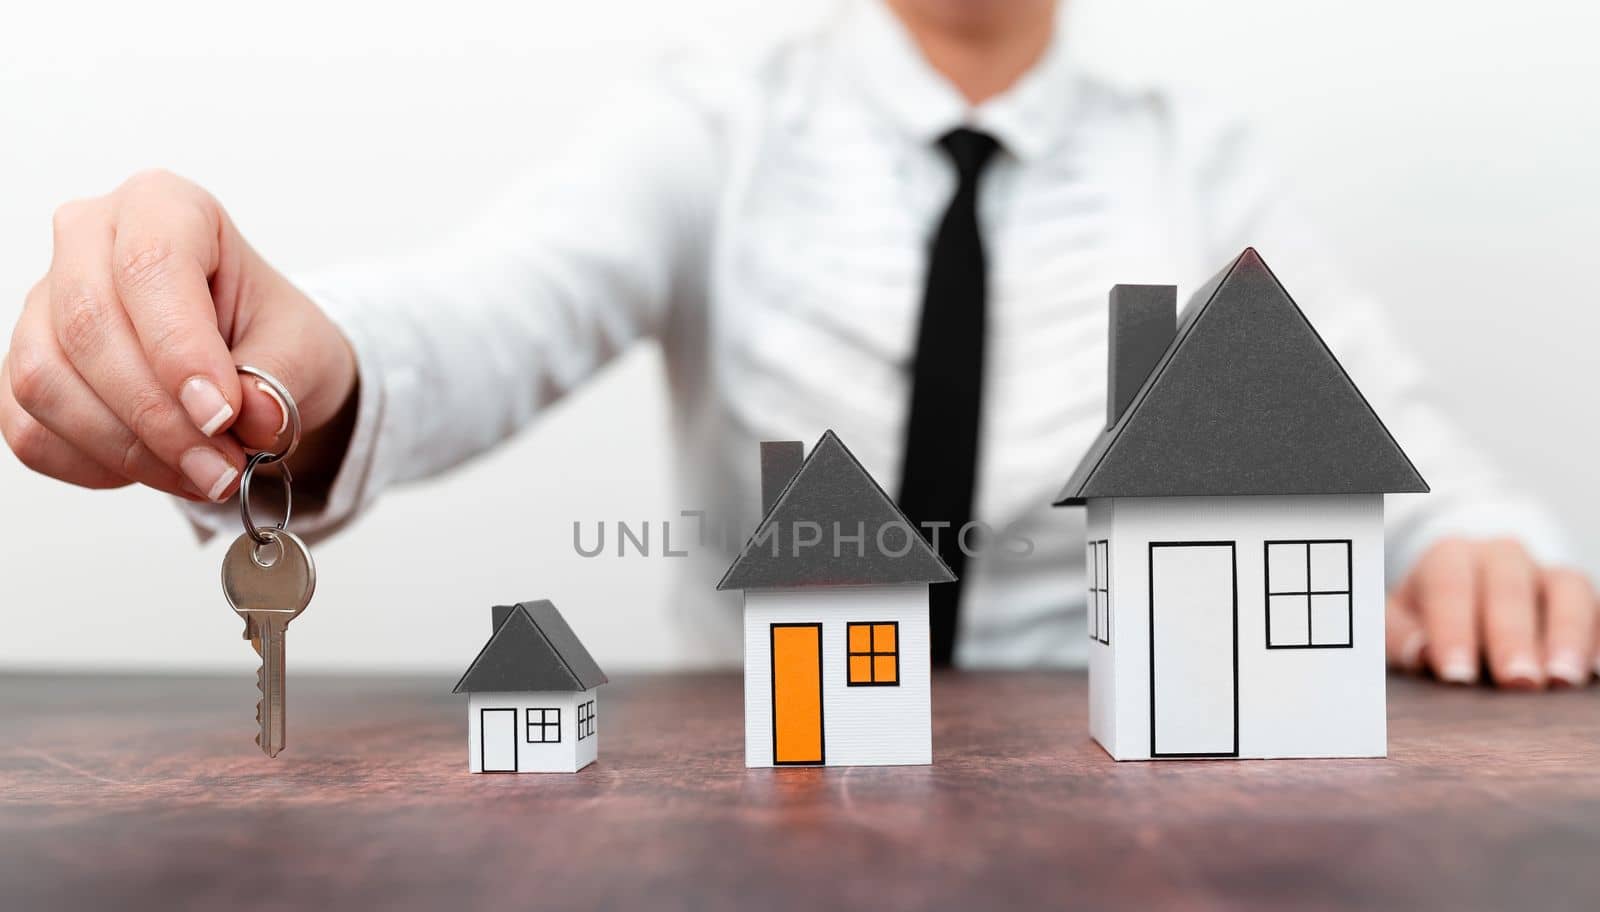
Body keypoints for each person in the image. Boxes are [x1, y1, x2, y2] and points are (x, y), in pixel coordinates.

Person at [1, 0, 1593, 686]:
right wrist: (305, 376)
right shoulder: (715, 128)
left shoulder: (1200, 167)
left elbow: (1407, 440)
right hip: (789, 809)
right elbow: (494, 308)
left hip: (1130, 823)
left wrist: (1493, 551)